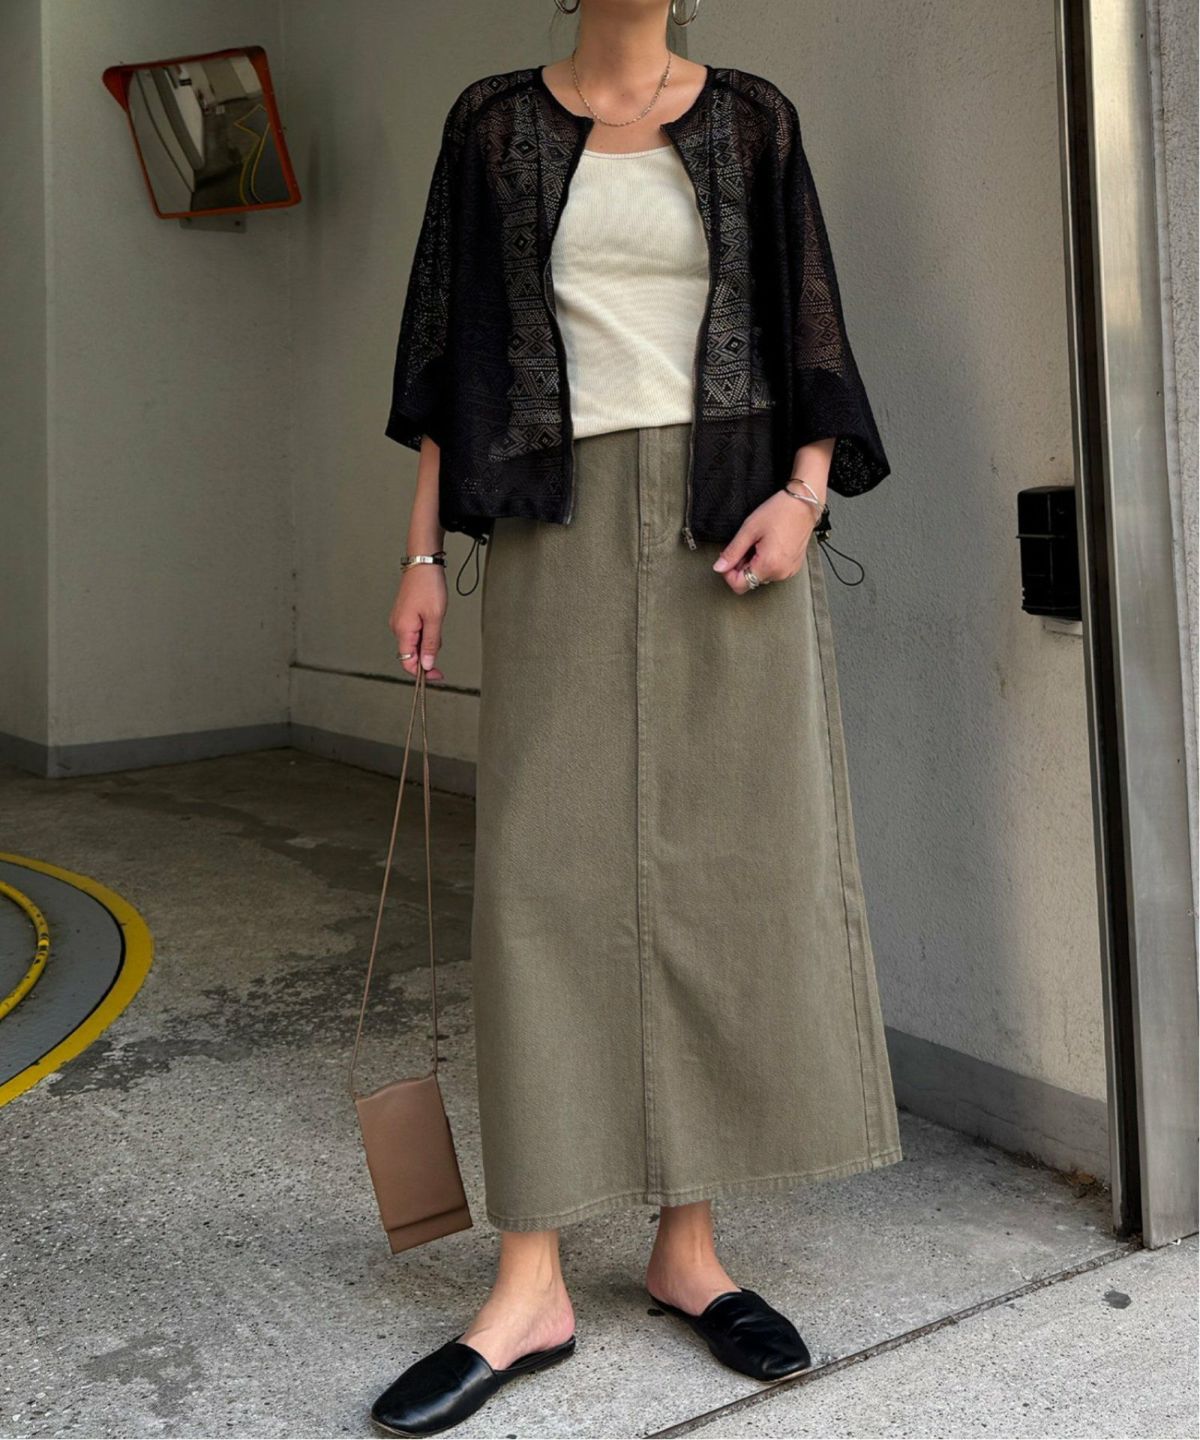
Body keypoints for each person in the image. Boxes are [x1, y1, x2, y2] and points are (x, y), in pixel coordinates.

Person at [371, 1, 902, 1433]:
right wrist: (419, 552)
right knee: (542, 878)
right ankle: (529, 1278)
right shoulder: (493, 124)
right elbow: (445, 358)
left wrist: (805, 497)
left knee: (720, 874)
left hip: (730, 522)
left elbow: (810, 331)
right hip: (555, 523)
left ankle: (689, 1251)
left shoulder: (753, 118)